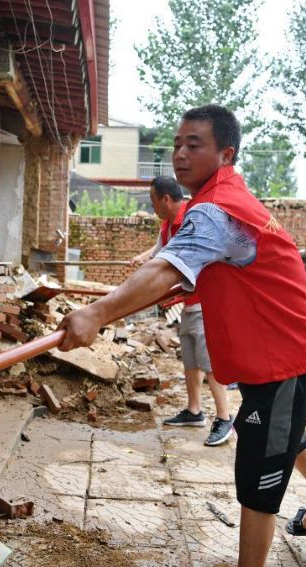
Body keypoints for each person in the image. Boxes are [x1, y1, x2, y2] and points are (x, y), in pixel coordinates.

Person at [59, 105, 306, 567]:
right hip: (283, 348)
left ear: (226, 154)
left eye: (194, 145)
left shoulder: (217, 211)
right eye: (176, 145)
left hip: (281, 358)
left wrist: (97, 312)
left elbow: (164, 268)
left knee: (259, 473)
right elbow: (190, 274)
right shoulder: (228, 196)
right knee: (286, 434)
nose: (179, 154)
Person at [130, 176, 233, 446]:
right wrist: (144, 259)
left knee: (209, 362)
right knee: (190, 359)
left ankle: (225, 417)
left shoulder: (195, 220)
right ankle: (194, 410)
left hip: (207, 302)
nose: (153, 208)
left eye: (154, 202)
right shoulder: (167, 226)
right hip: (188, 303)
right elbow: (161, 251)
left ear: (166, 199)